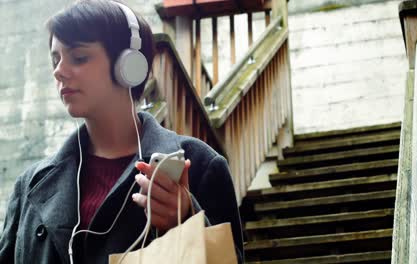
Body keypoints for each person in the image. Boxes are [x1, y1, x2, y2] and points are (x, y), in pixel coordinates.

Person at [0, 0, 244, 263]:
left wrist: (187, 219)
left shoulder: (198, 165)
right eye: (55, 59)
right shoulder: (30, 185)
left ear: (129, 66)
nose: (59, 72)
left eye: (78, 57)